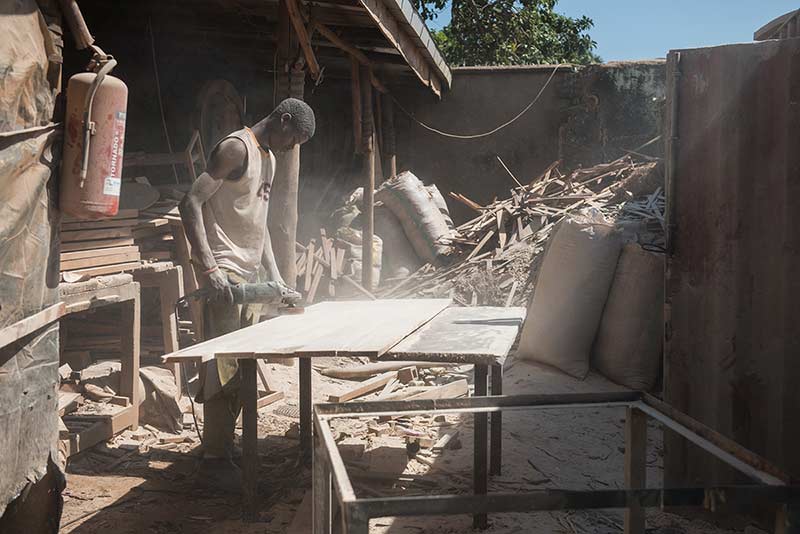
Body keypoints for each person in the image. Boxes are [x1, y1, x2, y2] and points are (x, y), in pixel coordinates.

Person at [179, 98, 315, 490]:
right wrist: (209, 268)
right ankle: (213, 462)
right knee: (220, 370)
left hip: (249, 277)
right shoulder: (235, 148)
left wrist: (277, 278)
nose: (292, 149)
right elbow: (190, 202)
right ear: (283, 120)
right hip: (223, 274)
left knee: (241, 368)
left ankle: (224, 446)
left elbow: (260, 226)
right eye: (294, 140)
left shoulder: (268, 159)